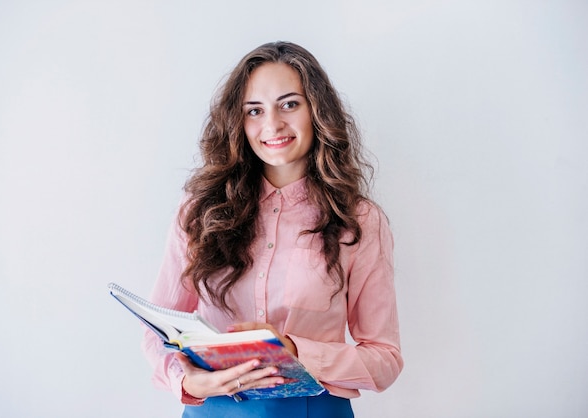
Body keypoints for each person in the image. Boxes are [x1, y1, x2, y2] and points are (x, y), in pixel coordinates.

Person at [142, 41, 403, 418]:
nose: (272, 124)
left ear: (317, 110)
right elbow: (157, 331)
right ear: (238, 120)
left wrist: (296, 351)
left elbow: (385, 359)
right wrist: (187, 382)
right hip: (215, 411)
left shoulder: (359, 221)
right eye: (254, 110)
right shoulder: (199, 212)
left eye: (289, 104)